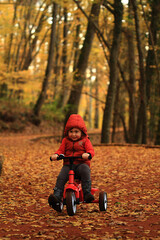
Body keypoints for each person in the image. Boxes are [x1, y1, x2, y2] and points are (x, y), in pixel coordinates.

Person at [49, 114, 95, 205]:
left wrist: (88, 154)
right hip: (68, 165)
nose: (73, 134)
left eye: (76, 131)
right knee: (61, 177)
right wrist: (56, 155)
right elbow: (60, 150)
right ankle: (57, 195)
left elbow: (91, 150)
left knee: (85, 171)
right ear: (67, 132)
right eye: (71, 131)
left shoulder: (85, 140)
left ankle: (87, 193)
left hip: (81, 164)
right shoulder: (65, 140)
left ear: (82, 132)